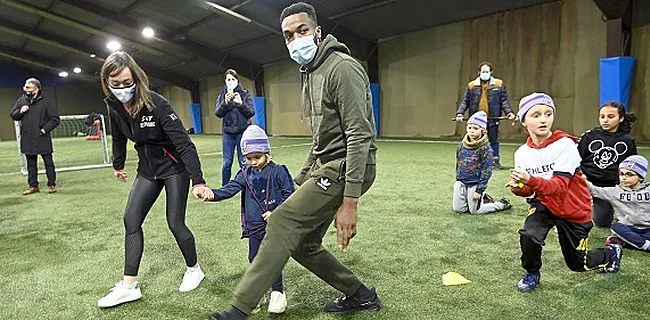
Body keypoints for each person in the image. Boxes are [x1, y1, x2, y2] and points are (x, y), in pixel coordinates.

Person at [206, 2, 380, 319]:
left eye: (301, 30)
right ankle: (361, 294)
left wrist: (350, 201)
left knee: (284, 221)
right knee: (302, 244)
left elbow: (359, 135)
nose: (295, 39)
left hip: (349, 167)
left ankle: (238, 310)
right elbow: (320, 140)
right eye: (288, 35)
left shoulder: (342, 68)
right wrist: (299, 182)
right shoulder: (309, 74)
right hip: (326, 166)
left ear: (317, 31)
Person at [97, 51, 208, 308]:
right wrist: (118, 165)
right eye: (116, 84)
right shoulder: (114, 106)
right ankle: (129, 285)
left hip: (173, 168)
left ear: (136, 78)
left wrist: (198, 180)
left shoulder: (156, 104)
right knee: (131, 219)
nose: (123, 89)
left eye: (127, 82)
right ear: (107, 82)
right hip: (148, 169)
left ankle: (194, 270)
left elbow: (184, 144)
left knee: (175, 222)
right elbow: (118, 136)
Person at [507, 92, 623, 293]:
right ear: (523, 121)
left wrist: (529, 179)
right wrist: (519, 187)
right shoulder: (522, 153)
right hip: (545, 204)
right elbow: (529, 190)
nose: (543, 119)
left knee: (578, 264)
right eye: (535, 115)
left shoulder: (565, 145)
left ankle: (610, 253)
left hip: (573, 209)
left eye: (548, 113)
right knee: (529, 234)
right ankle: (532, 273)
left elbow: (559, 188)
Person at [198, 125, 294, 314]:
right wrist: (212, 194)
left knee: (272, 259)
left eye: (257, 157)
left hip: (275, 226)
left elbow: (289, 194)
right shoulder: (244, 174)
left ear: (268, 153)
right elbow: (230, 189)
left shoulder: (279, 171)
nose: (253, 162)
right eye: (248, 158)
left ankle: (277, 292)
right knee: (254, 260)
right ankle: (258, 293)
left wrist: (275, 211)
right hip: (254, 228)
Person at [577, 101, 637, 227]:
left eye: (610, 117)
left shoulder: (627, 141)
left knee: (602, 222)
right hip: (584, 183)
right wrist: (580, 175)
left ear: (620, 118)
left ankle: (608, 205)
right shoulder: (589, 136)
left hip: (608, 188)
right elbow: (574, 160)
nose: (605, 120)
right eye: (602, 116)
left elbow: (632, 168)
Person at [455, 61, 515, 170]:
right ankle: (474, 161)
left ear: (491, 72)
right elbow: (465, 101)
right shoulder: (472, 85)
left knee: (493, 140)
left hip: (492, 118)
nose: (485, 73)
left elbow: (504, 101)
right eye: (483, 71)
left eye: (487, 71)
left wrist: (509, 112)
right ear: (479, 72)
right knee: (475, 140)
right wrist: (460, 113)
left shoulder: (498, 84)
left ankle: (495, 161)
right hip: (476, 121)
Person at [586, 155, 650, 252]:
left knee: (613, 240)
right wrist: (582, 180)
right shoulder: (615, 192)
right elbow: (595, 191)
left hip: (648, 228)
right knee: (616, 227)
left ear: (641, 177)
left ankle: (627, 242)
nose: (624, 177)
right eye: (621, 174)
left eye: (630, 174)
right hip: (629, 228)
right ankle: (645, 245)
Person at [453, 111, 511, 214]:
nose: (472, 131)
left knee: (475, 211)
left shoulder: (485, 148)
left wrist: (479, 189)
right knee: (459, 209)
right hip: (461, 182)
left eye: (475, 128)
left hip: (475, 184)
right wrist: (458, 179)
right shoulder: (461, 145)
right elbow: (458, 162)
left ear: (483, 131)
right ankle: (483, 199)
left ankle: (501, 204)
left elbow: (487, 170)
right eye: (469, 128)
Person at [9, 77, 60, 195]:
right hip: (28, 138)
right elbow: (13, 115)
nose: (25, 89)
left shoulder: (46, 102)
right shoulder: (21, 101)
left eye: (28, 87)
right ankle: (33, 186)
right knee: (31, 164)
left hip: (42, 137)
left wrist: (44, 130)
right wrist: (21, 111)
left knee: (48, 162)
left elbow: (55, 119)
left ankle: (51, 185)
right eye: (25, 87)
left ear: (36, 88)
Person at [215, 69, 255, 186]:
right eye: (228, 79)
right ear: (225, 81)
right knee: (227, 163)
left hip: (242, 132)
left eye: (233, 79)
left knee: (244, 162)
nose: (231, 81)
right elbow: (218, 113)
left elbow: (251, 112)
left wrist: (240, 103)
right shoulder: (222, 95)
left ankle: (248, 185)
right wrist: (225, 103)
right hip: (227, 133)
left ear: (237, 80)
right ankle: (225, 186)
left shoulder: (245, 94)